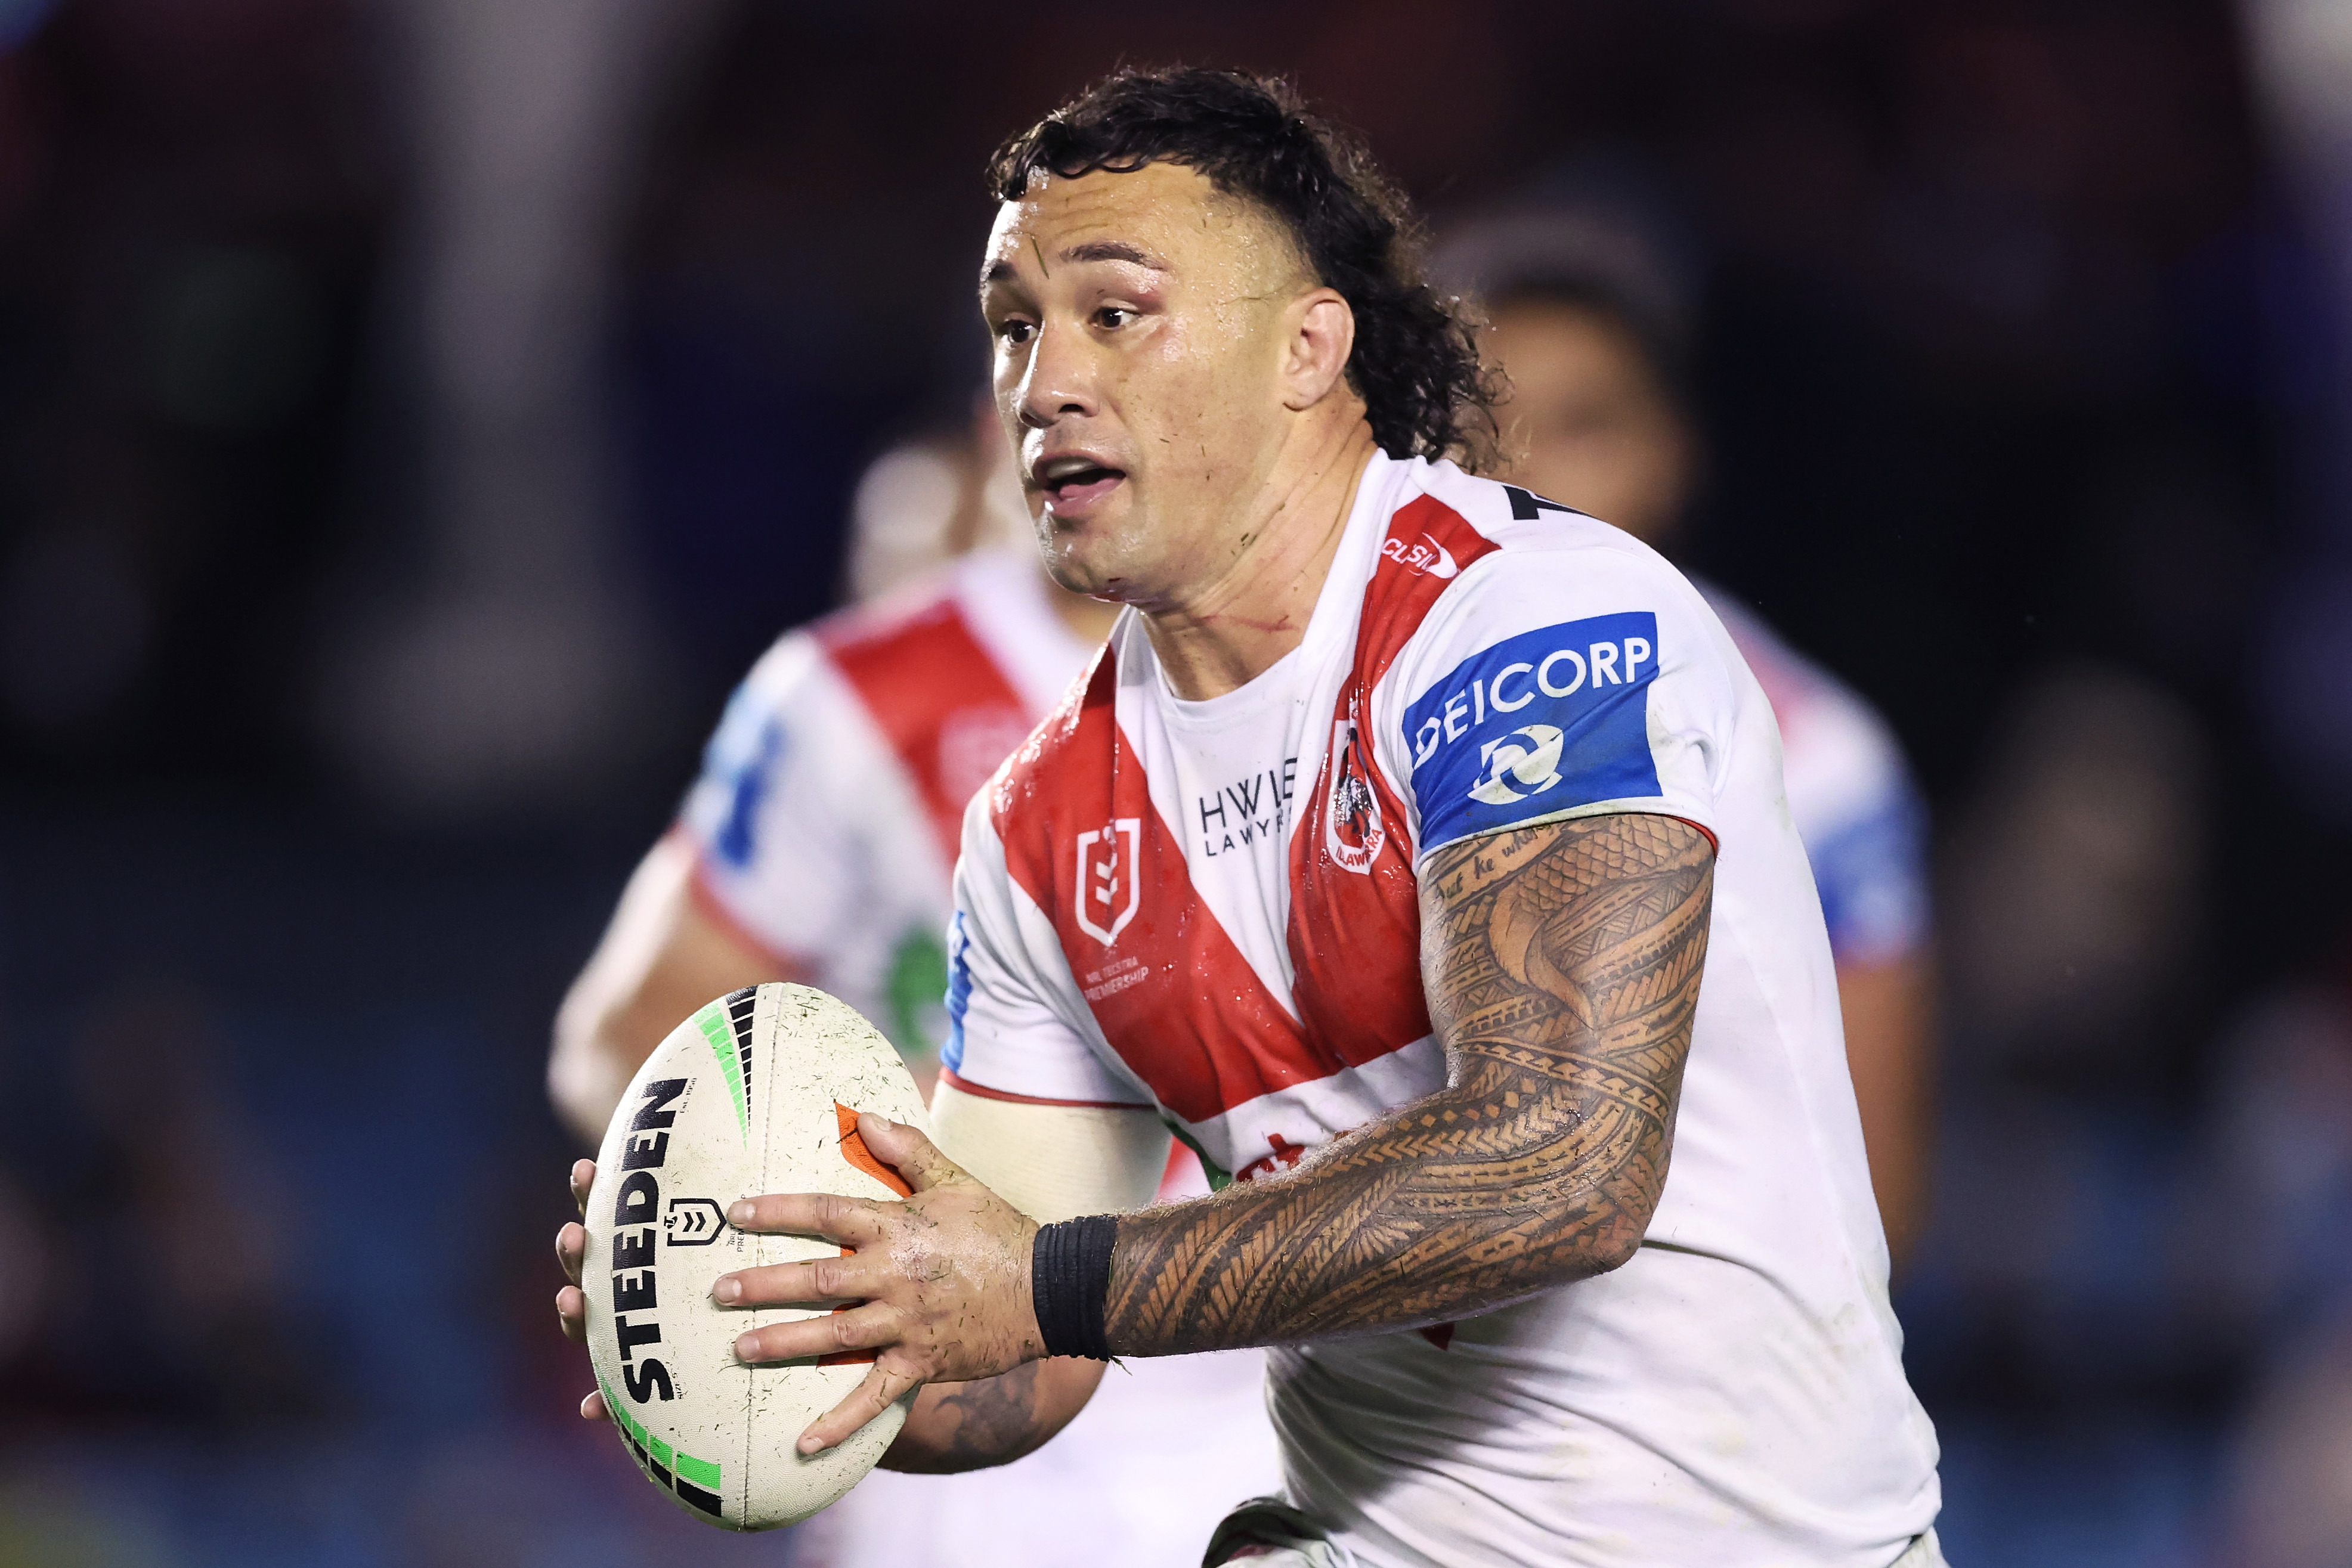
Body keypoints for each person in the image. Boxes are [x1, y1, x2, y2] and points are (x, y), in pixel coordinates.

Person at [556, 67, 1944, 1567]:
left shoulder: (1536, 618)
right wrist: (795, 1324)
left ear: (1308, 344)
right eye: (1015, 325)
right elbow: (1018, 1370)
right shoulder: (1040, 829)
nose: (1047, 381)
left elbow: (1561, 1161)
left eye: (1117, 311)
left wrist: (1036, 1283)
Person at [549, 411, 1282, 1566]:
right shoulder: (859, 692)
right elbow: (627, 1026)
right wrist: (732, 1194)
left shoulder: (1371, 658)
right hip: (958, 1395)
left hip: (1301, 1366)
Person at [1434, 196, 1939, 1263]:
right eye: (1475, 431)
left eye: (1581, 427)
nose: (1522, 481)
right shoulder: (1319, 728)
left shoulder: (1820, 765)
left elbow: (1874, 1202)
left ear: (1672, 452)